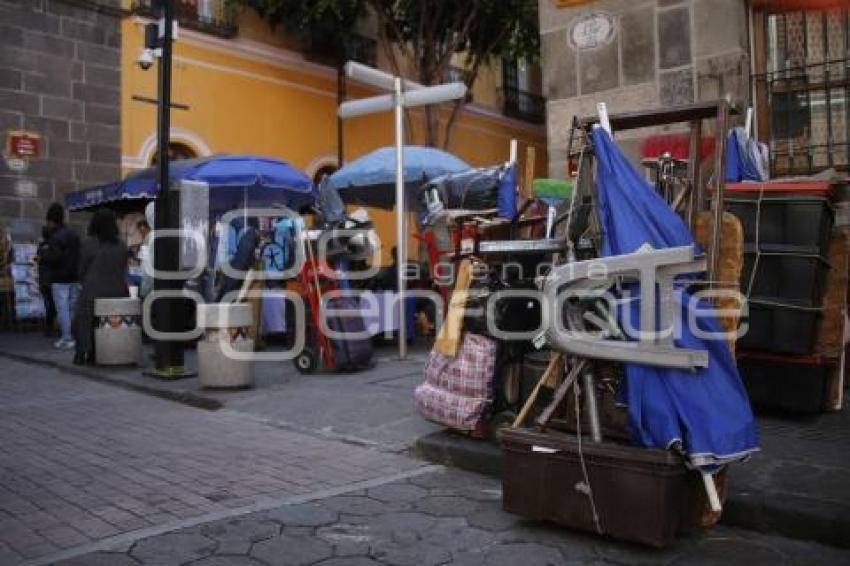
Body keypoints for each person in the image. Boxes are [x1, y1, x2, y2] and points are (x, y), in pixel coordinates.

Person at [75, 209, 129, 365]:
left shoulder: (89, 244)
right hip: (118, 291)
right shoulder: (121, 245)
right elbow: (123, 267)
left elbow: (81, 270)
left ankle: (84, 351)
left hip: (93, 292)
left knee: (85, 318)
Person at [42, 203, 80, 350]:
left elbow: (55, 258)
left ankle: (67, 337)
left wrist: (44, 256)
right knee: (71, 308)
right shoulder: (74, 234)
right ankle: (69, 336)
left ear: (51, 220)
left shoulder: (55, 237)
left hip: (59, 277)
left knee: (62, 308)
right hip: (75, 276)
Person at [36, 225, 57, 336]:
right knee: (53, 304)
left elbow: (39, 259)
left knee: (48, 303)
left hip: (44, 279)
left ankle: (49, 327)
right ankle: (51, 327)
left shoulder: (41, 246)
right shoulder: (54, 245)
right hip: (53, 279)